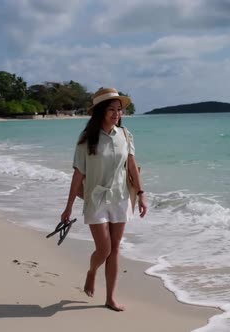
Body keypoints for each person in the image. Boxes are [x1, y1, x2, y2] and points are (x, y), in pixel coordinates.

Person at [61, 87, 147, 312]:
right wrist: (68, 206)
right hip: (96, 199)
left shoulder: (125, 135)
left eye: (119, 110)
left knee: (115, 249)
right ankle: (92, 271)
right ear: (100, 111)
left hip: (120, 198)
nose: (117, 114)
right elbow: (78, 174)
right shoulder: (87, 139)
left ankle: (110, 298)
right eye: (112, 109)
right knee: (104, 249)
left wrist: (141, 194)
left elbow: (131, 166)